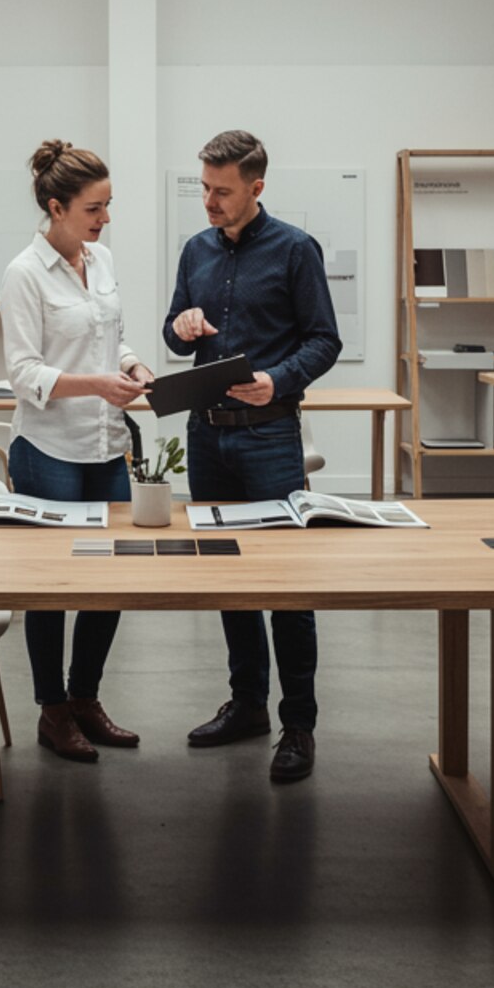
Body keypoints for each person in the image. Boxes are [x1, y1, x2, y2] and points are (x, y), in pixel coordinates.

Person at [164, 129, 342, 783]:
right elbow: (175, 331)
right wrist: (180, 327)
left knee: (288, 587)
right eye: (204, 190)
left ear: (256, 188)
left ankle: (299, 724)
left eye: (222, 192)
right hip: (206, 435)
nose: (209, 202)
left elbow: (325, 340)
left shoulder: (296, 249)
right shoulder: (195, 250)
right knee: (229, 579)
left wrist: (279, 380)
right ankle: (247, 705)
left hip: (269, 434)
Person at [0, 140, 156, 762]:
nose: (105, 218)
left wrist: (132, 362)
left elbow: (108, 339)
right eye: (95, 207)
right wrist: (97, 383)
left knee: (108, 580)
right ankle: (52, 710)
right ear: (56, 206)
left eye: (109, 205)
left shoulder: (105, 261)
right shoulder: (23, 274)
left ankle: (86, 697)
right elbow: (24, 372)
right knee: (51, 586)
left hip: (105, 444)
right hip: (48, 448)